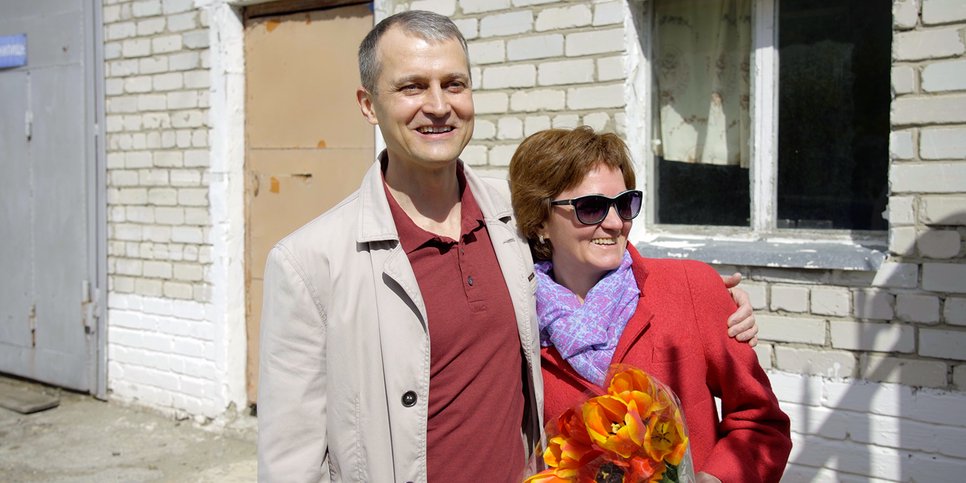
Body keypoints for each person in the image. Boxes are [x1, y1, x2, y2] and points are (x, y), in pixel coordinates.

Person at [257, 10, 759, 482]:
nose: (438, 105)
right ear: (369, 104)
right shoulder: (309, 264)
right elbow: (291, 459)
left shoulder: (512, 219)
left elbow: (596, 262)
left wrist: (716, 301)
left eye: (454, 84)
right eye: (412, 86)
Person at [508, 126, 791, 483]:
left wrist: (717, 479)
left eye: (624, 204)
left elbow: (762, 422)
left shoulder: (691, 288)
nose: (614, 224)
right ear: (540, 221)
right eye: (591, 207)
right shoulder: (518, 318)